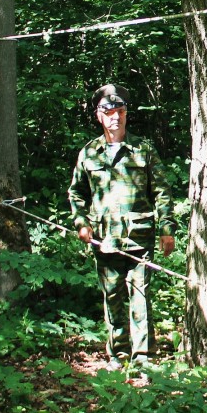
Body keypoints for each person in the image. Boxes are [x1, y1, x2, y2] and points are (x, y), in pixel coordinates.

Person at [68, 84, 176, 366]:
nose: (115, 117)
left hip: (139, 239)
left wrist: (167, 229)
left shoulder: (144, 149)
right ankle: (118, 353)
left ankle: (143, 357)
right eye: (109, 112)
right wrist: (82, 223)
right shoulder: (89, 153)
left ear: (126, 114)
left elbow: (162, 191)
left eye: (120, 111)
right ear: (99, 116)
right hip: (104, 239)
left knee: (140, 298)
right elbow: (76, 192)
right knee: (112, 298)